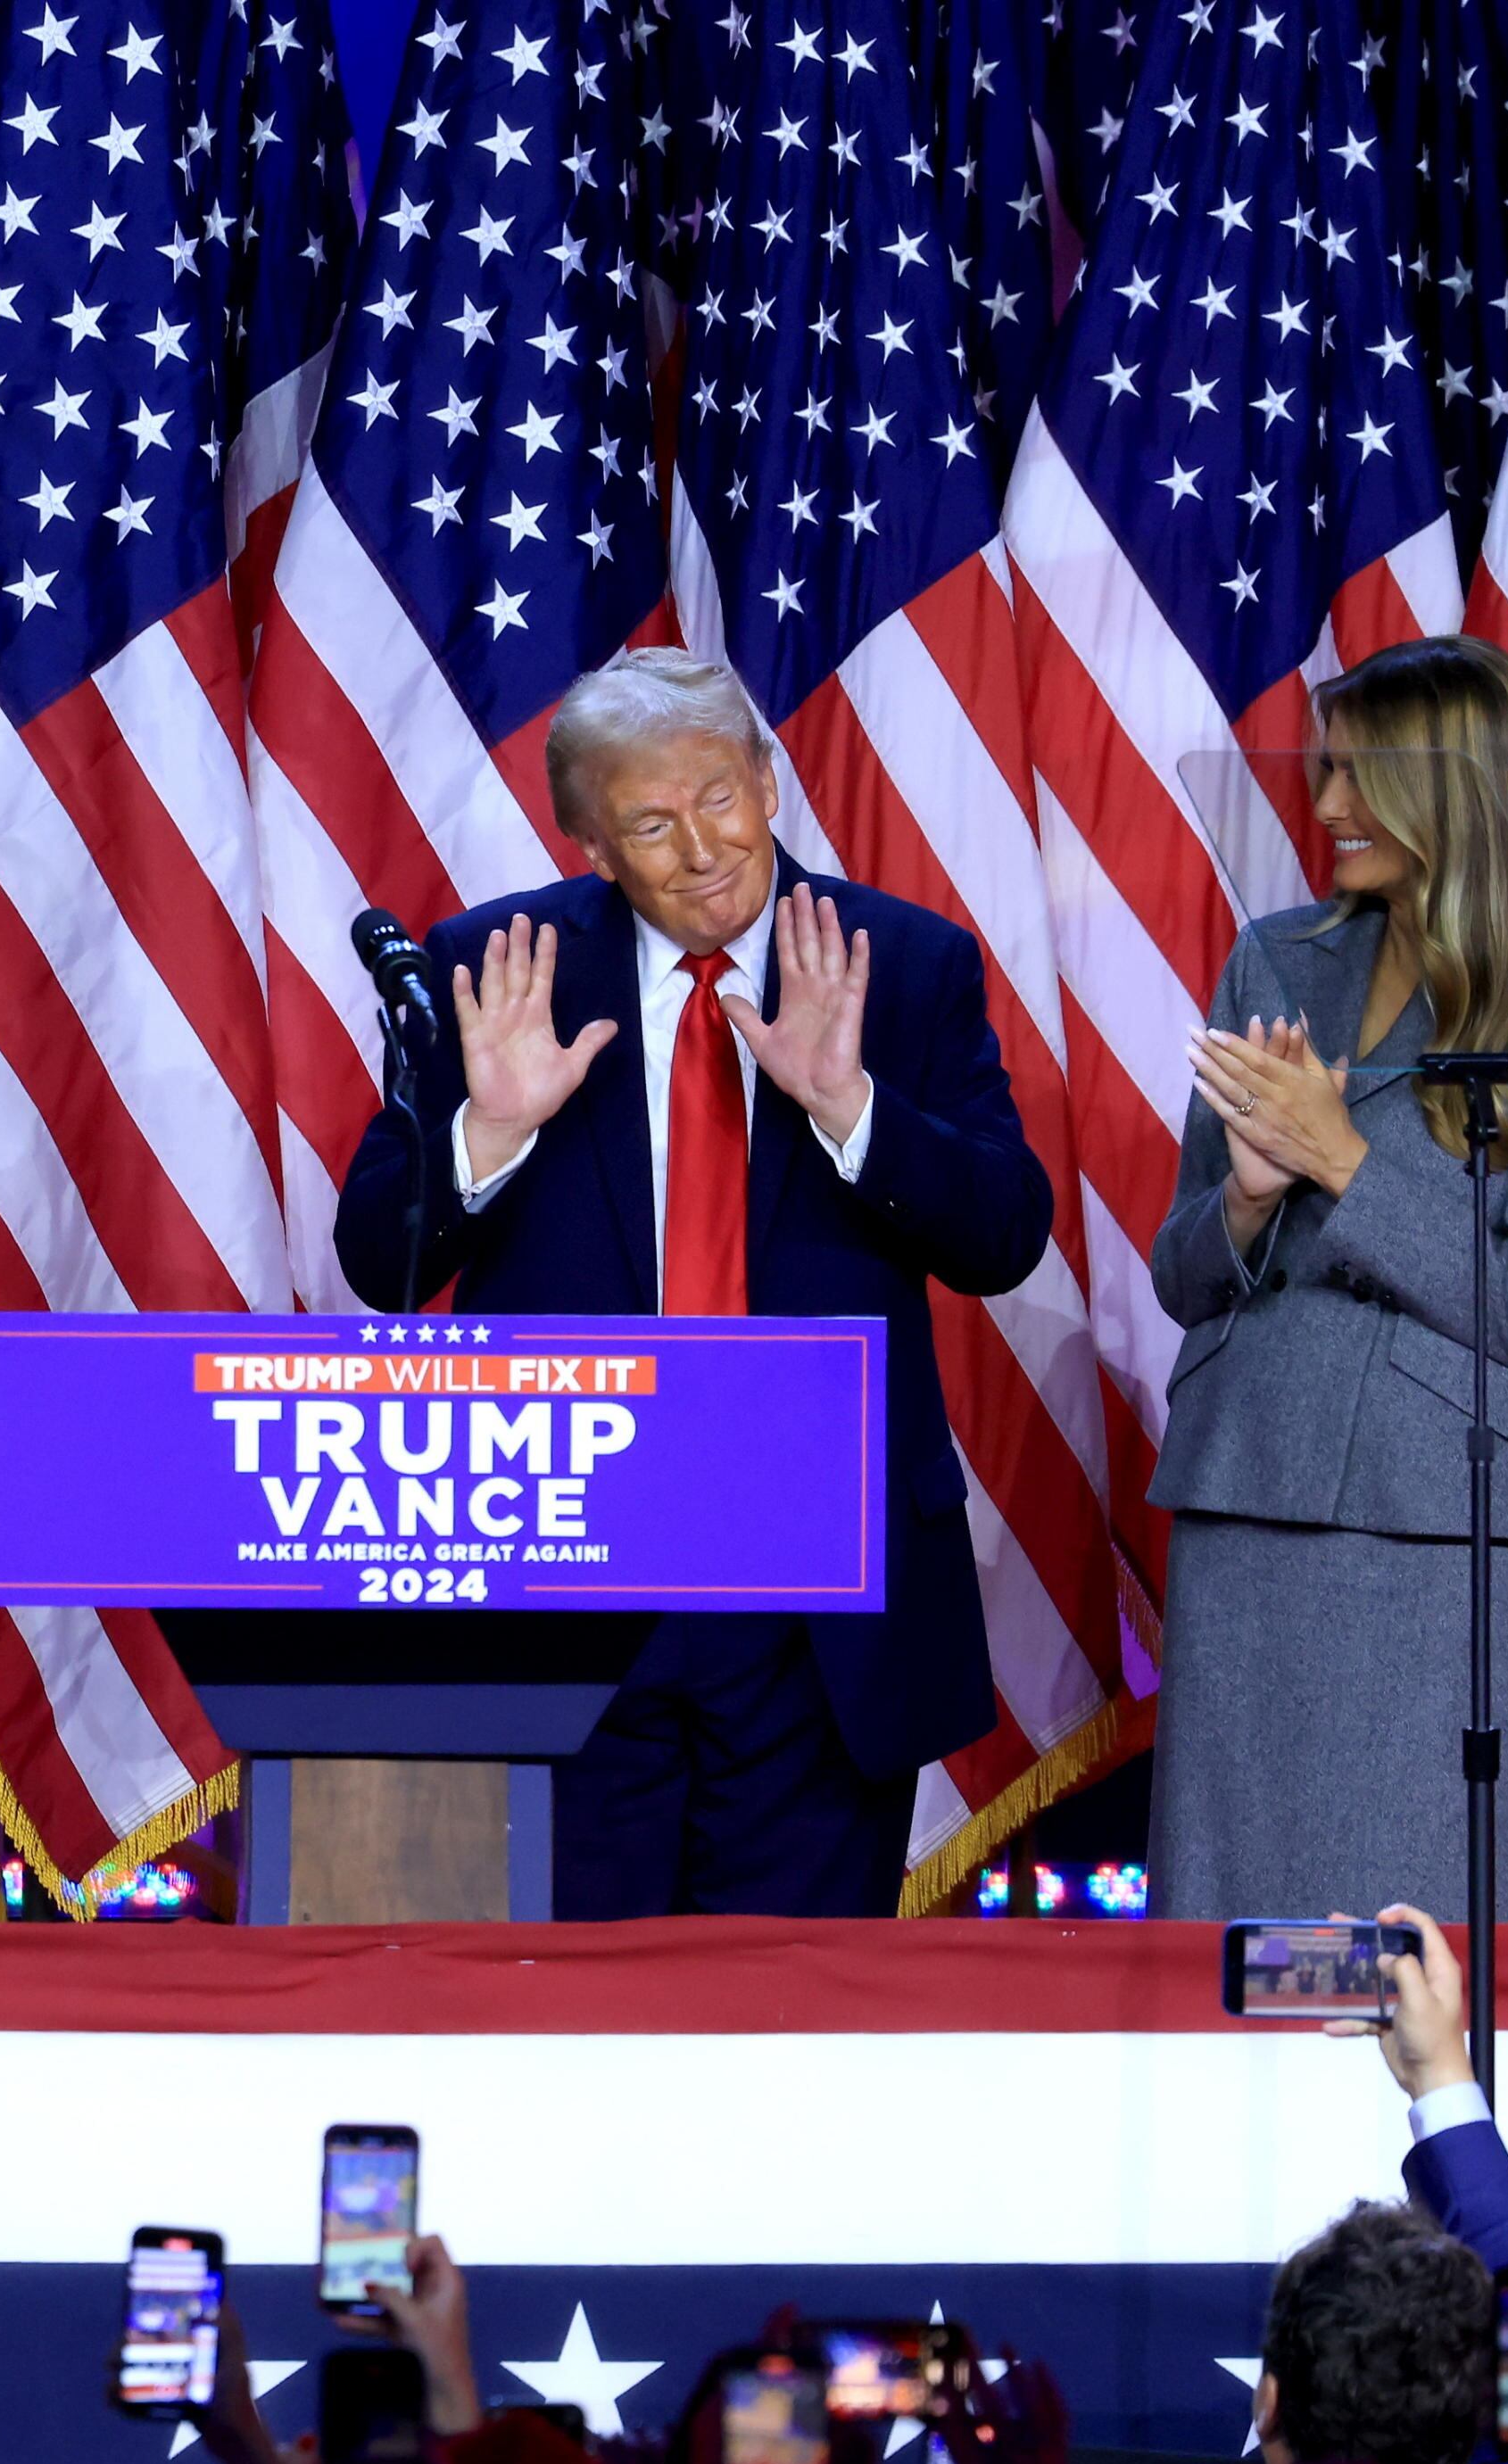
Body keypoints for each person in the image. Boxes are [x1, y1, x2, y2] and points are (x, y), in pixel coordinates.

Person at [327, 649, 1055, 1919]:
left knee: (800, 2031)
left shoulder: (907, 965)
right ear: (596, 847)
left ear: (769, 784)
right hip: (575, 1584)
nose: (704, 846)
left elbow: (1004, 1234)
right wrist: (487, 1136)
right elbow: (380, 1261)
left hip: (823, 1599)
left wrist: (852, 1107)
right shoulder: (503, 970)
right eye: (653, 824)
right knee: (577, 2029)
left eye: (721, 797)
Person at [1144, 637, 1508, 1927]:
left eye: (1358, 780)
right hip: (1244, 1489)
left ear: (1459, 788)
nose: (1323, 811)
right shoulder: (1277, 956)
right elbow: (1183, 1270)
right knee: (1240, 1923)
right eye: (1323, 775)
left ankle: (1434, 2135)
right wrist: (1251, 1197)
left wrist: (1345, 1159)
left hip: (1433, 1522)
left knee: (1410, 1928)